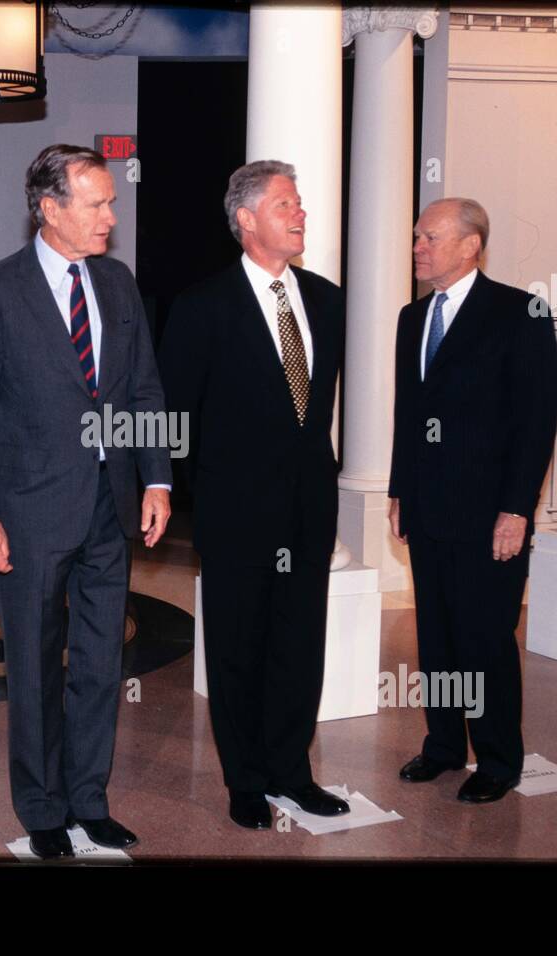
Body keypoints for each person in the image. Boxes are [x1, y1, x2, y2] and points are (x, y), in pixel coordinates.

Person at [0, 144, 172, 859]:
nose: (112, 216)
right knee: (37, 666)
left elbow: (143, 388)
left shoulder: (118, 283)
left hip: (110, 508)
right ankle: (41, 808)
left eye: (111, 202)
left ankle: (89, 800)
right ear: (50, 209)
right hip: (27, 514)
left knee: (102, 663)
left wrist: (158, 477)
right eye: (98, 203)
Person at [158, 160, 349, 830]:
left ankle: (291, 773)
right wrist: (181, 498)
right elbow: (175, 415)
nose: (300, 214)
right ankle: (245, 780)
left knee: (299, 644)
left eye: (300, 203)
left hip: (308, 512)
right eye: (284, 205)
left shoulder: (327, 300)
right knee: (238, 647)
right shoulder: (202, 306)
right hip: (235, 515)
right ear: (245, 220)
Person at [388, 197, 557, 803]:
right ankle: (442, 747)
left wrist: (517, 508)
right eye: (416, 237)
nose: (418, 247)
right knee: (436, 634)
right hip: (428, 508)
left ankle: (497, 759)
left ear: (470, 245)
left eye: (429, 237)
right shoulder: (414, 317)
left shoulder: (520, 312)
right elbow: (408, 412)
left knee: (484, 637)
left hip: (492, 515)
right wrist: (398, 488)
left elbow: (537, 419)